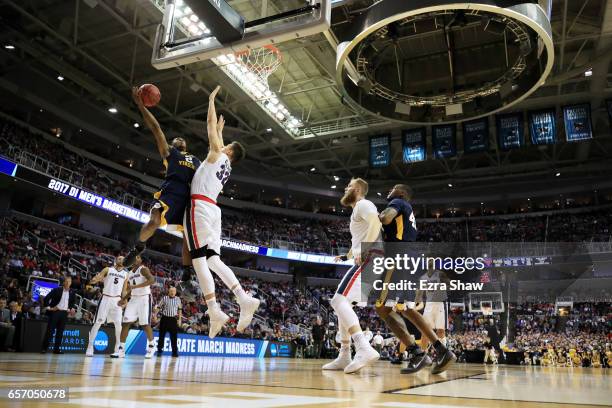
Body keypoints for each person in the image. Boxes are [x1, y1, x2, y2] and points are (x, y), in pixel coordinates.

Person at [183, 85, 257, 339]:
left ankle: (214, 308)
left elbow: (209, 123)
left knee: (198, 259)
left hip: (200, 207)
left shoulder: (218, 155)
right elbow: (219, 144)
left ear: (228, 151)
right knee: (214, 260)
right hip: (214, 211)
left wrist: (212, 100)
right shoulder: (226, 164)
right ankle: (243, 298)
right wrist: (221, 134)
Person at [376, 184, 456, 374]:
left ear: (402, 193)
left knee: (382, 308)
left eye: (393, 187)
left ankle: (416, 352)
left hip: (398, 256)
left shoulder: (398, 202)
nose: (389, 190)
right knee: (407, 309)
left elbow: (386, 218)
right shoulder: (407, 210)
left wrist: (374, 216)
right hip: (411, 258)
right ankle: (442, 350)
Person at [123, 87, 201, 276]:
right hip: (170, 191)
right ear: (173, 145)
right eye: (176, 138)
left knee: (187, 236)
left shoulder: (197, 161)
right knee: (154, 222)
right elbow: (156, 128)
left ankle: (186, 274)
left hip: (186, 198)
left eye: (182, 139)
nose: (179, 138)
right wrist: (141, 105)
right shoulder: (170, 153)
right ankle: (138, 248)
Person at [323, 178, 381, 374]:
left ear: (356, 189)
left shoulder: (363, 204)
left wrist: (366, 248)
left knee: (338, 301)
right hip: (370, 257)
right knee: (342, 304)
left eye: (348, 186)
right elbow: (359, 237)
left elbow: (375, 222)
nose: (345, 189)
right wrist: (347, 255)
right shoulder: (357, 210)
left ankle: (363, 347)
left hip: (371, 257)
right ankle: (345, 354)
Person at [111, 256, 156, 359]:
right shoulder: (130, 273)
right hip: (134, 299)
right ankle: (121, 350)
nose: (135, 259)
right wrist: (124, 299)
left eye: (137, 257)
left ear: (140, 260)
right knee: (126, 323)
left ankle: (151, 346)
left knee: (145, 324)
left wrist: (136, 287)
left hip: (145, 298)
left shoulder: (143, 269)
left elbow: (152, 280)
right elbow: (131, 290)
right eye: (134, 257)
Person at [85, 256, 129, 357]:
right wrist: (94, 280)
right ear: (115, 260)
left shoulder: (126, 274)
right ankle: (90, 347)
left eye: (123, 259)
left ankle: (118, 349)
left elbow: (124, 290)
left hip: (117, 300)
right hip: (105, 298)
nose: (121, 260)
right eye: (119, 258)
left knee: (119, 325)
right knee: (98, 322)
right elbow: (99, 277)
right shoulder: (108, 269)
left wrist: (125, 301)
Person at [41, 276, 76, 354]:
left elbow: (73, 302)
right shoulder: (57, 290)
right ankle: (44, 348)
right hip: (55, 312)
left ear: (71, 283)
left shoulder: (72, 292)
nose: (68, 283)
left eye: (69, 282)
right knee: (50, 331)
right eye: (66, 281)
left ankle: (56, 349)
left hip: (64, 314)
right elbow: (46, 298)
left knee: (60, 332)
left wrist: (70, 308)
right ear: (63, 282)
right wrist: (49, 308)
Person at [156, 286, 182, 357]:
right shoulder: (164, 298)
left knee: (174, 337)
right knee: (161, 336)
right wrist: (155, 315)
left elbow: (180, 309)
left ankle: (174, 352)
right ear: (169, 292)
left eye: (173, 291)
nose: (172, 292)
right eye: (171, 291)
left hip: (173, 319)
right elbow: (158, 307)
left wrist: (180, 319)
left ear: (175, 292)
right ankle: (159, 351)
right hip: (164, 319)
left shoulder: (178, 299)